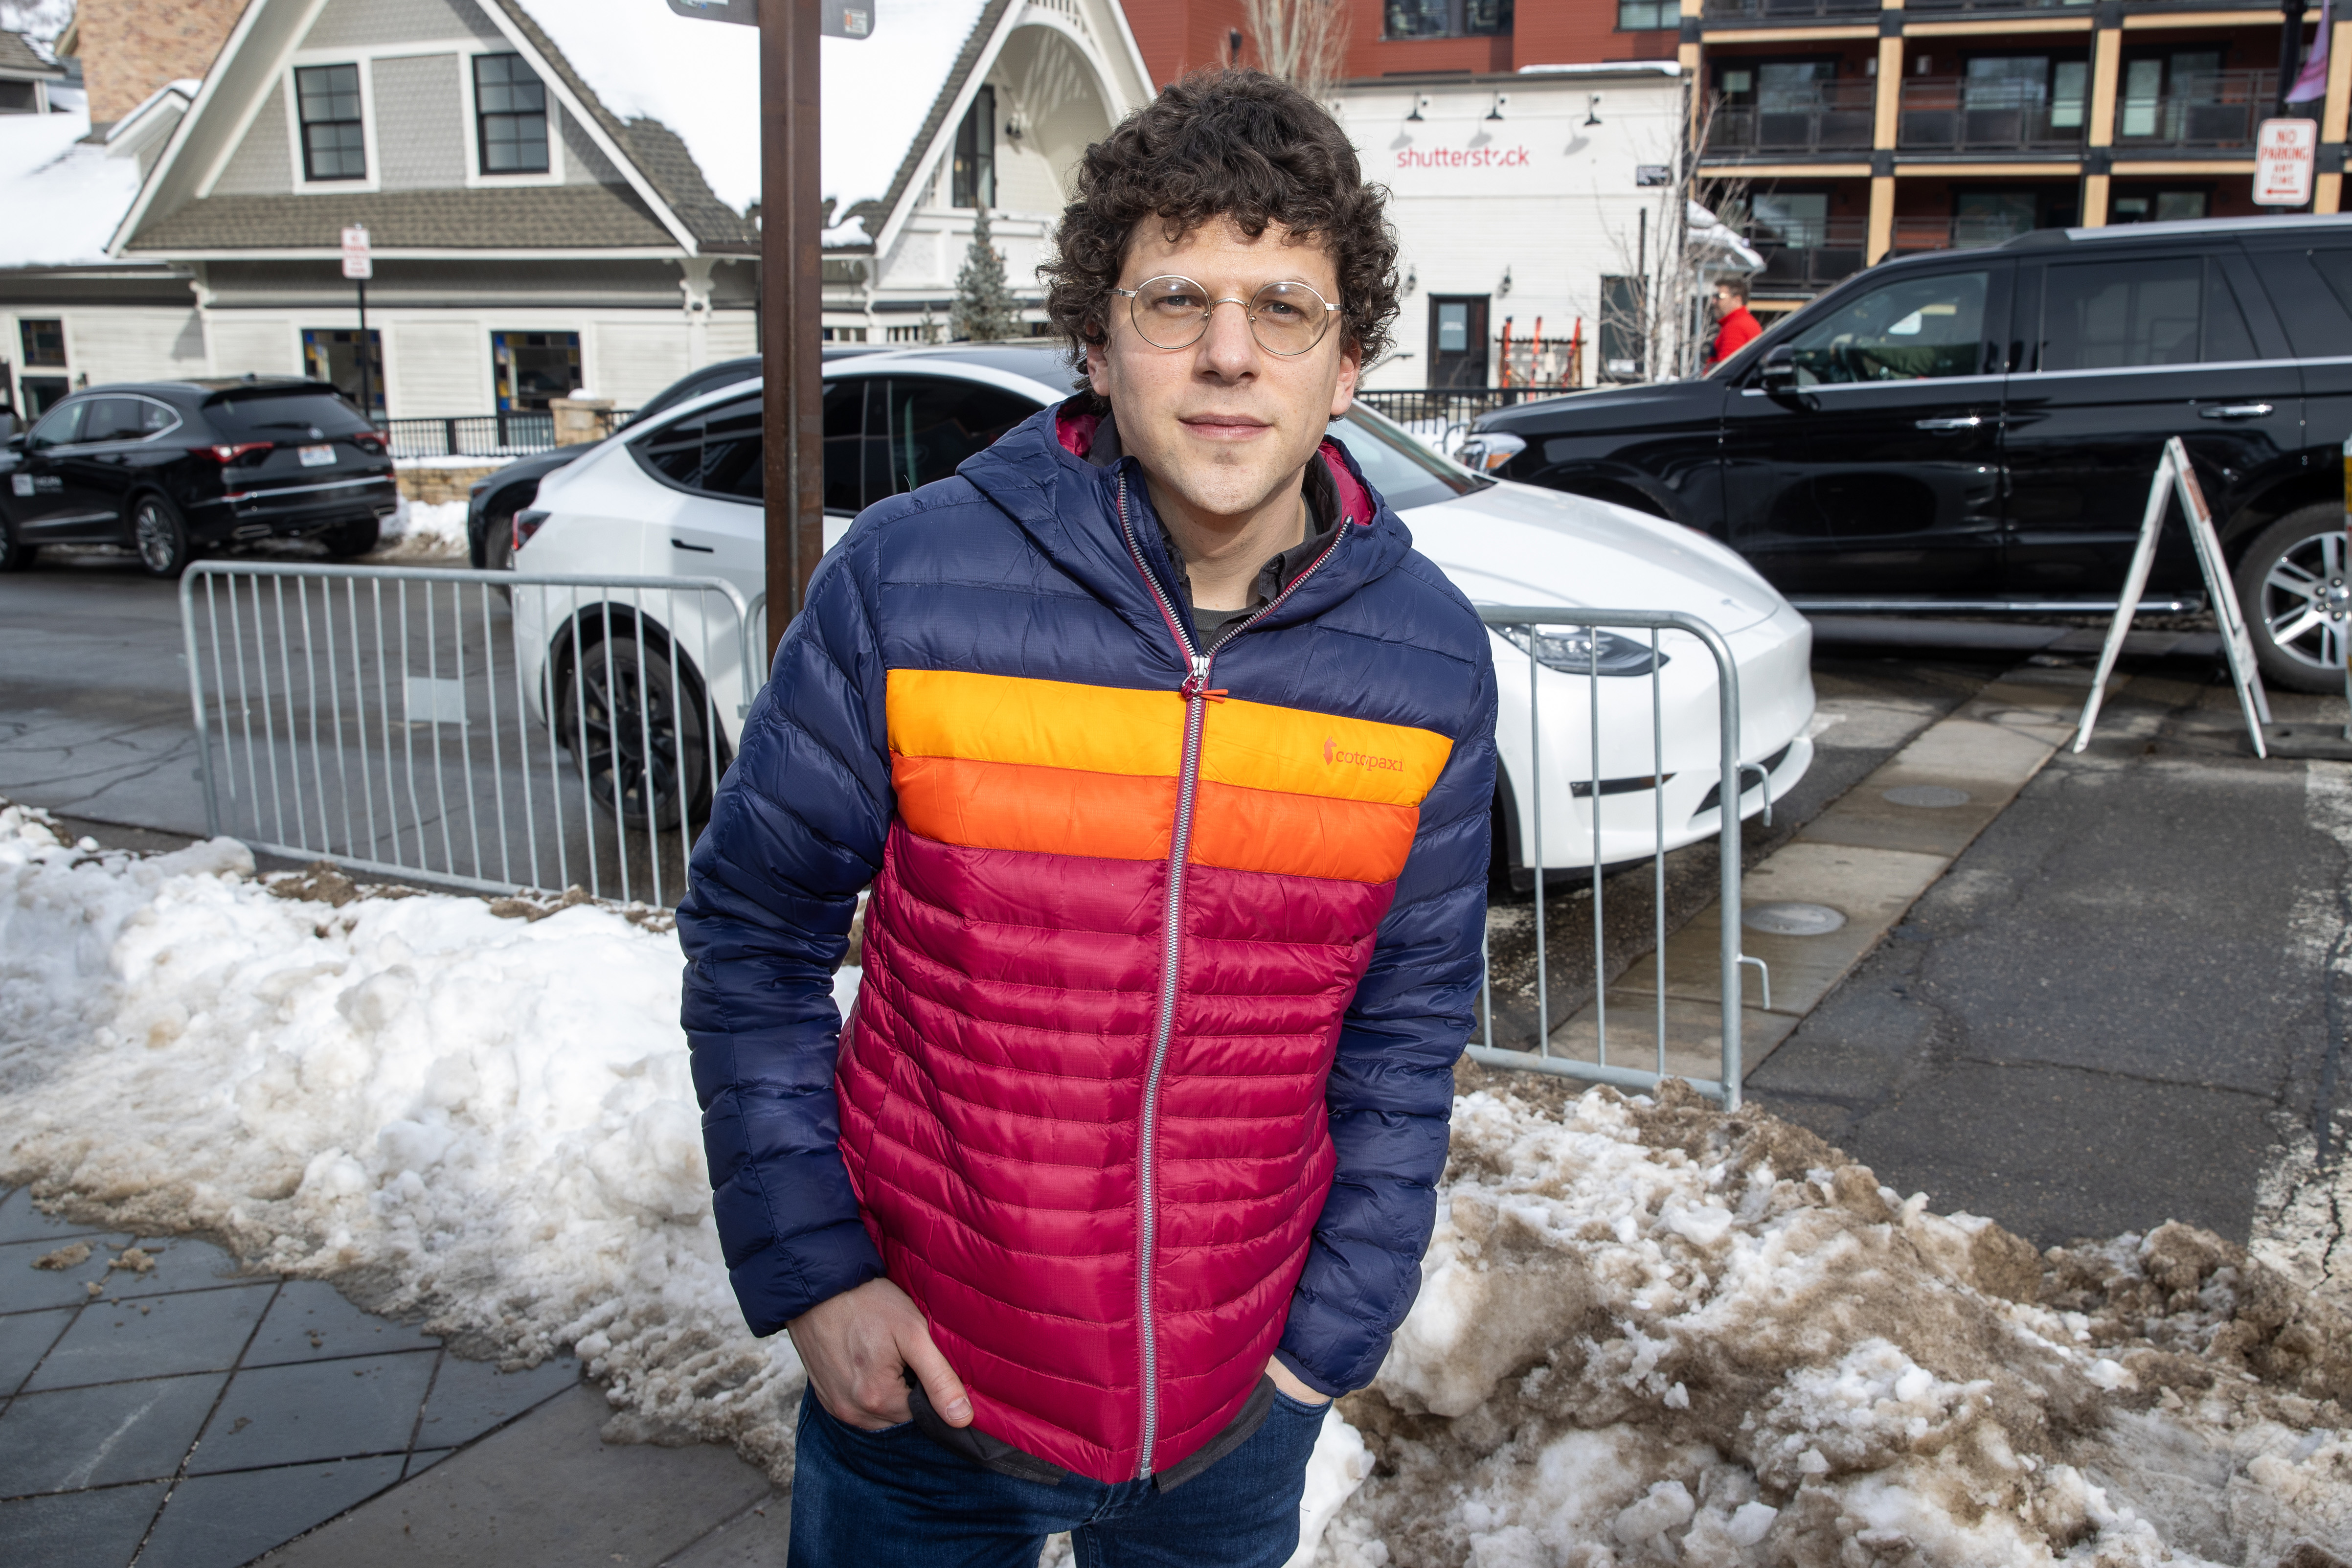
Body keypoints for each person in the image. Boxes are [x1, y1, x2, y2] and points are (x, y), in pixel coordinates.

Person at [675, 69, 1497, 1568]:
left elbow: (1406, 1027)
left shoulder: (1428, 663)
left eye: (1283, 308)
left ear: (1349, 360)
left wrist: (1326, 1341)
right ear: (1100, 345)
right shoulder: (909, 586)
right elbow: (755, 937)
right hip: (926, 1402)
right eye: (1175, 301)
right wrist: (814, 1273)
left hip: (1232, 1422)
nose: (1228, 356)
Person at [1708, 274, 1762, 368]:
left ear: (1737, 300)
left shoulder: (1736, 327)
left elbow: (1725, 371)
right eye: (1714, 296)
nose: (1714, 301)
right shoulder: (1744, 322)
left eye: (1719, 296)